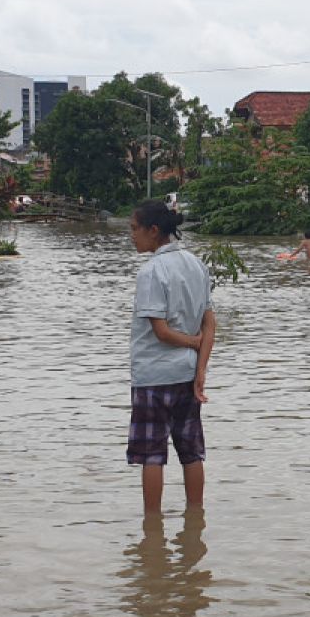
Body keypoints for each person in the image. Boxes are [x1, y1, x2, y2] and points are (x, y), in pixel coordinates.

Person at [127, 199, 217, 514]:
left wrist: (192, 344)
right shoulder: (196, 264)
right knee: (191, 453)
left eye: (135, 229)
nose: (132, 236)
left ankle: (152, 528)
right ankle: (196, 517)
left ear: (154, 231)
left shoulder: (151, 271)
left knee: (152, 455)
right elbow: (210, 323)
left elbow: (161, 332)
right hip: (187, 375)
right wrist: (201, 368)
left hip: (154, 375)